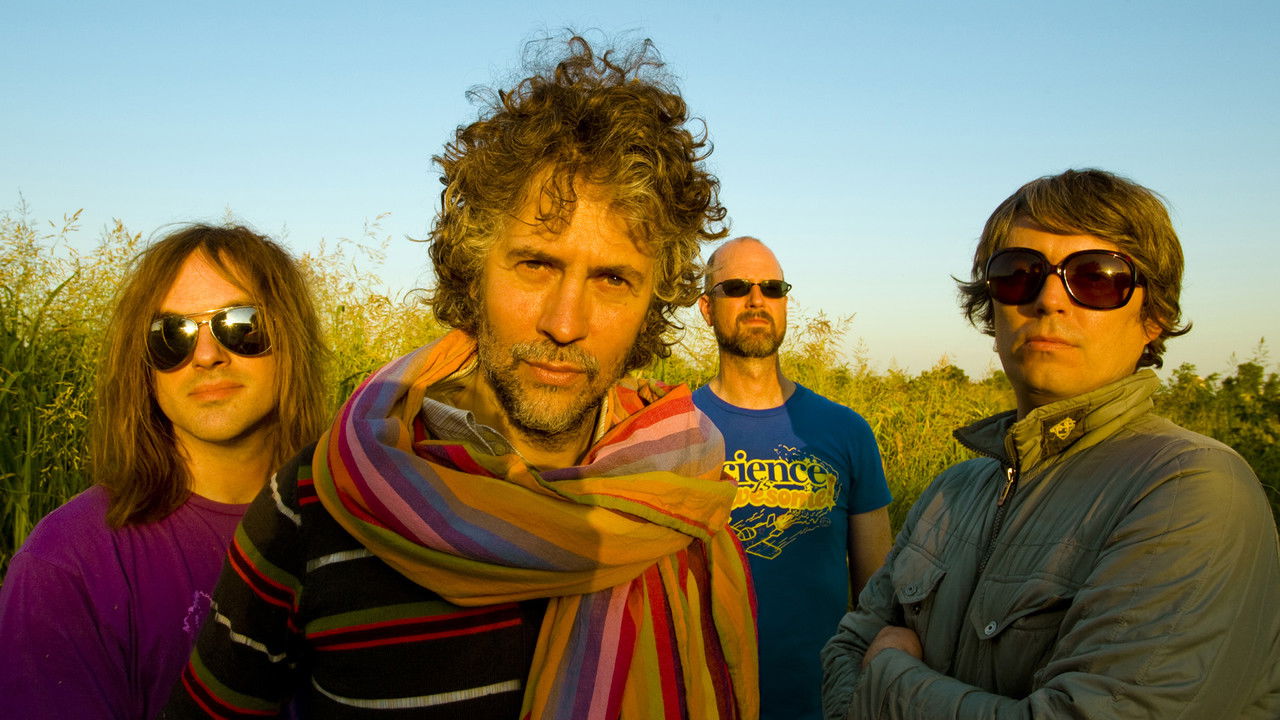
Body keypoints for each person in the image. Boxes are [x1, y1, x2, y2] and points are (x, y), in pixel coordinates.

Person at [164, 36, 757, 720]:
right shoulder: (318, 502)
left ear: (653, 299)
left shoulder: (686, 503)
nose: (565, 324)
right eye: (536, 265)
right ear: (474, 266)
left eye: (612, 280)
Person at [821, 168, 1280, 719]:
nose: (1049, 299)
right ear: (990, 306)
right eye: (1019, 274)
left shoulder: (1188, 488)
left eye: (1096, 277)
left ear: (1154, 315)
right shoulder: (953, 491)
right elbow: (845, 649)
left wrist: (889, 676)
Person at [0, 224, 328, 718]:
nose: (207, 356)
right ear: (144, 366)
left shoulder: (357, 527)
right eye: (170, 335)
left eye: (242, 324)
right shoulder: (66, 566)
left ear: (291, 340)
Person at [692, 236, 892, 720]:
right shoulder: (673, 430)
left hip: (822, 703)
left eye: (772, 288)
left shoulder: (846, 431)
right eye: (736, 287)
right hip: (702, 700)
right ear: (706, 309)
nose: (756, 299)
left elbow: (879, 596)